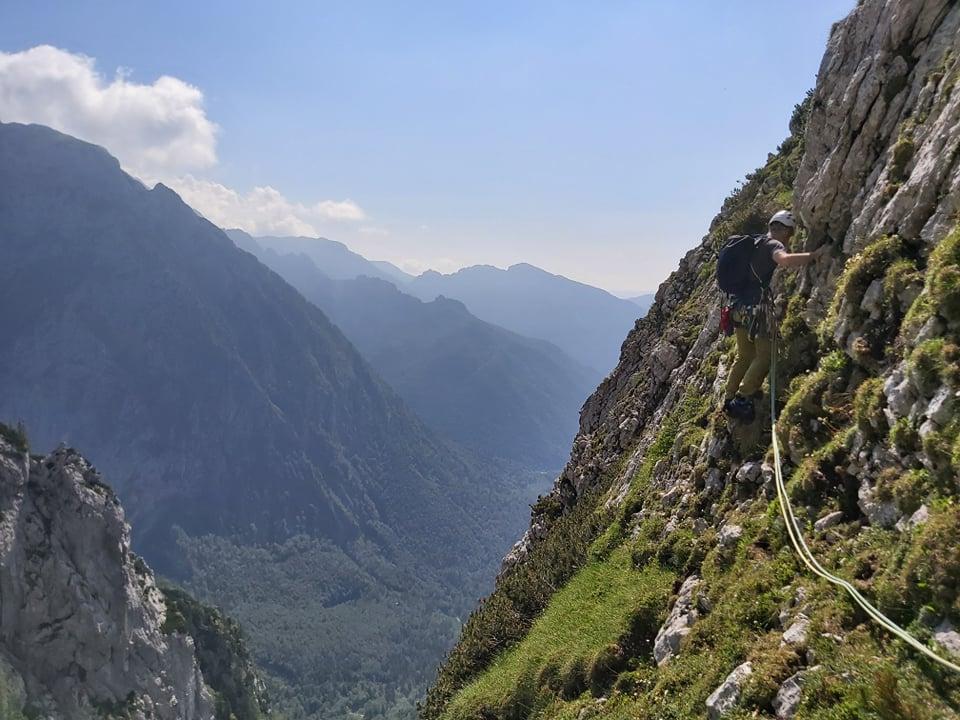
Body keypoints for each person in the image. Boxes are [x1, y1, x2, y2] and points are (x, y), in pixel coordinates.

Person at [722, 210, 828, 421]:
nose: (789, 238)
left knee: (744, 355)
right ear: (786, 230)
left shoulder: (756, 242)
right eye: (790, 233)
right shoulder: (773, 244)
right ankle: (743, 397)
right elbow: (784, 260)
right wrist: (814, 255)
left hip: (736, 308)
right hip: (756, 309)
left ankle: (729, 397)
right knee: (766, 355)